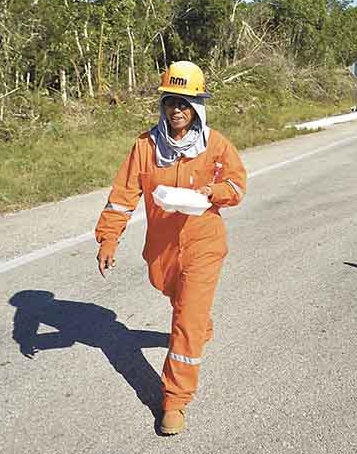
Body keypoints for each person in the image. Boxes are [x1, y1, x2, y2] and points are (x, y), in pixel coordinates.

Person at [95, 61, 247, 435]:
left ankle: (175, 400)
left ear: (197, 106)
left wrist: (215, 191)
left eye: (185, 102)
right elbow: (123, 195)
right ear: (163, 105)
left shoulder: (216, 144)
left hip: (204, 243)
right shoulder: (146, 147)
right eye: (170, 102)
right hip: (161, 250)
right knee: (174, 294)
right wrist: (109, 236)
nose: (177, 109)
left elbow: (238, 186)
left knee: (187, 321)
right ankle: (198, 319)